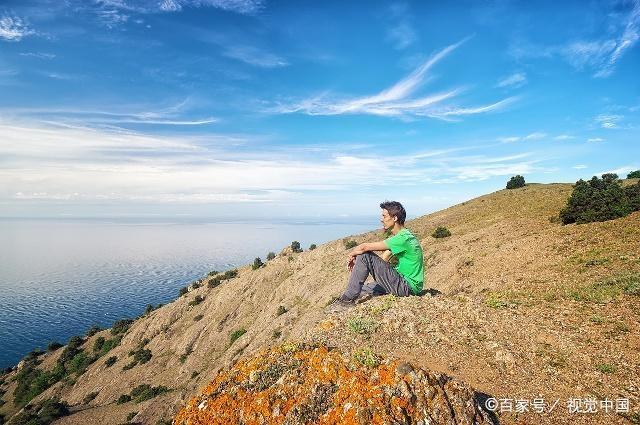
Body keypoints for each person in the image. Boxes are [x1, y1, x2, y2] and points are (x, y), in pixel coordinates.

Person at [326, 201, 424, 313]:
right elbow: (383, 258)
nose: (381, 219)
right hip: (403, 283)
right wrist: (368, 269)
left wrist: (352, 255)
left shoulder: (402, 238)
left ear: (395, 218)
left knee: (365, 256)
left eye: (384, 216)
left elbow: (364, 248)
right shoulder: (405, 236)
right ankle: (346, 298)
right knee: (362, 290)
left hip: (407, 287)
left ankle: (346, 302)